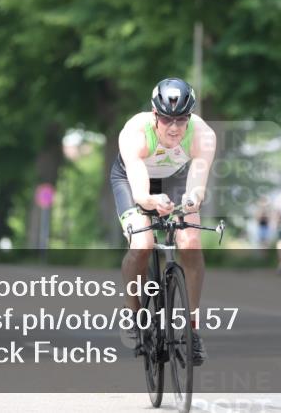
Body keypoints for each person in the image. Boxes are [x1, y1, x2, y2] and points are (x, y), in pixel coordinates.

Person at [112, 78, 216, 366]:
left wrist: (193, 199)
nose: (174, 127)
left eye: (181, 119)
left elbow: (197, 183)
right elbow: (141, 192)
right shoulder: (136, 131)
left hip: (176, 180)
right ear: (154, 114)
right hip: (134, 181)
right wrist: (151, 202)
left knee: (191, 240)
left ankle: (192, 330)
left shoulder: (202, 135)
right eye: (167, 119)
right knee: (142, 243)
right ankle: (133, 314)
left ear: (190, 117)